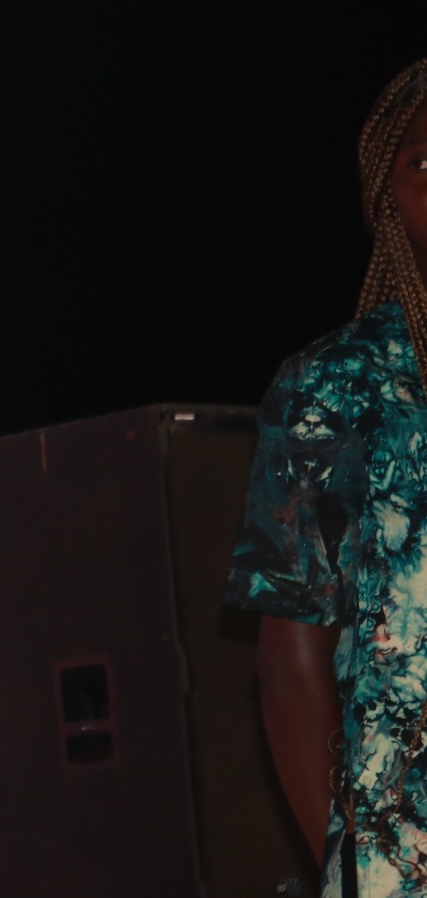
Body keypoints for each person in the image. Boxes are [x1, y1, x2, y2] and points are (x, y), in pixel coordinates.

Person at [226, 58, 427, 897]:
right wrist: (352, 869)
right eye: (423, 162)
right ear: (387, 197)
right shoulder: (338, 387)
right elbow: (288, 662)